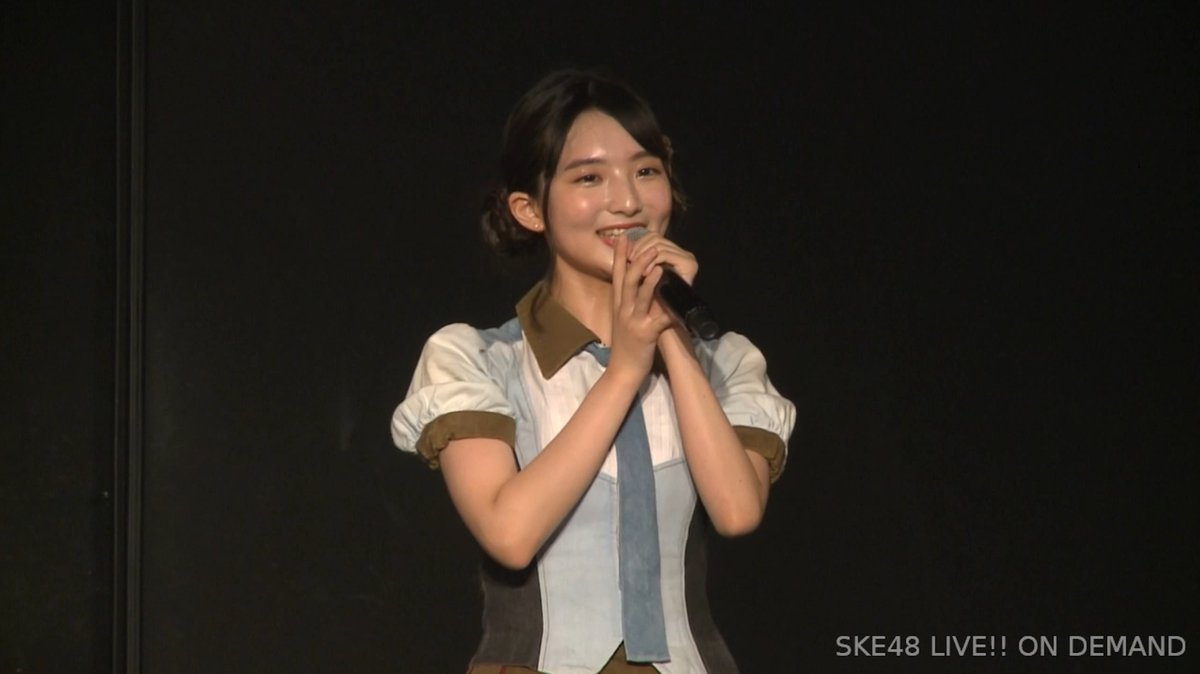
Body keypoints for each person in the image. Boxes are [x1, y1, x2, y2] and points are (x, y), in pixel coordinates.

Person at [391, 69, 795, 674]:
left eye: (646, 171)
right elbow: (509, 533)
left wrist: (671, 337)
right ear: (529, 209)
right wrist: (624, 370)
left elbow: (737, 510)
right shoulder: (475, 360)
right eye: (589, 177)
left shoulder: (725, 361)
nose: (627, 201)